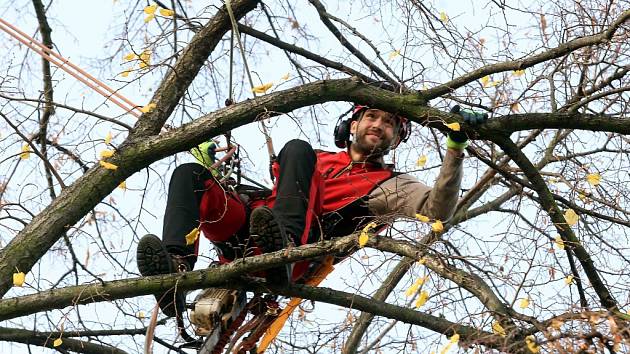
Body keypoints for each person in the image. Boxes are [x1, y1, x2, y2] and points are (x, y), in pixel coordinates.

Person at [136, 103, 487, 318]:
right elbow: (274, 191)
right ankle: (175, 268)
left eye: (389, 123)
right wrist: (212, 175)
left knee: (296, 151)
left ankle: (282, 250)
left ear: (395, 138)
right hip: (246, 234)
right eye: (372, 116)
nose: (378, 125)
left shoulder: (389, 184)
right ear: (353, 125)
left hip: (298, 249)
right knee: (189, 175)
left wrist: (455, 147)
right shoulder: (313, 158)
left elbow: (437, 211)